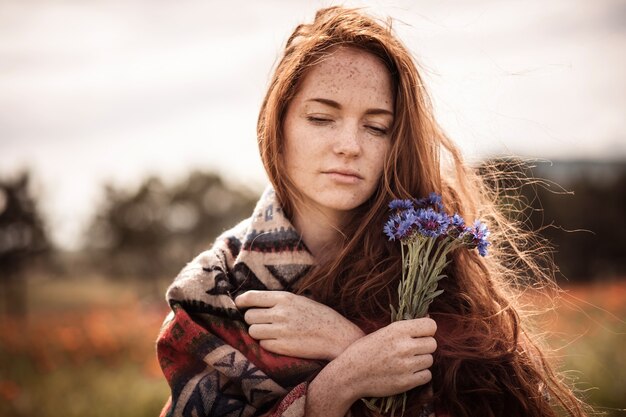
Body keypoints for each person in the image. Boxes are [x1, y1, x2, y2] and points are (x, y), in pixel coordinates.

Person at [156, 6, 589, 417]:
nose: (350, 145)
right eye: (322, 118)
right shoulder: (211, 291)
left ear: (396, 141)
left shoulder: (435, 265)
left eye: (376, 126)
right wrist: (340, 383)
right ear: (279, 123)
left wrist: (349, 341)